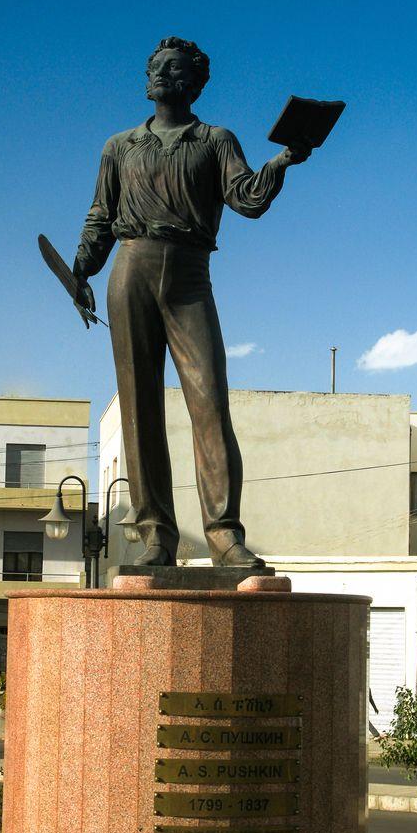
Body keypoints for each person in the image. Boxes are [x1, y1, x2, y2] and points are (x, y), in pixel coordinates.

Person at [74, 37, 312, 568]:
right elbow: (100, 215)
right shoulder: (120, 146)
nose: (161, 74)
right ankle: (156, 532)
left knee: (209, 401)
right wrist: (82, 268)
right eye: (156, 66)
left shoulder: (215, 140)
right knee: (138, 406)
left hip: (189, 274)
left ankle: (224, 533)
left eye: (173, 69)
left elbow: (247, 199)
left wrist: (284, 160)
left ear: (194, 82)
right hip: (129, 268)